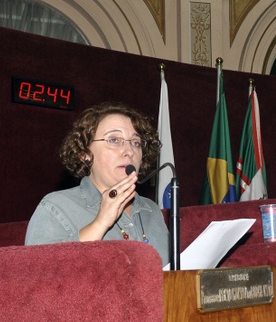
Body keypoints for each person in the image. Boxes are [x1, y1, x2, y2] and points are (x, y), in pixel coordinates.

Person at [25, 101, 170, 266]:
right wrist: (100, 222)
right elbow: (38, 275)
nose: (129, 151)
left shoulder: (151, 210)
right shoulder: (55, 207)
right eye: (114, 140)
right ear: (84, 154)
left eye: (135, 142)